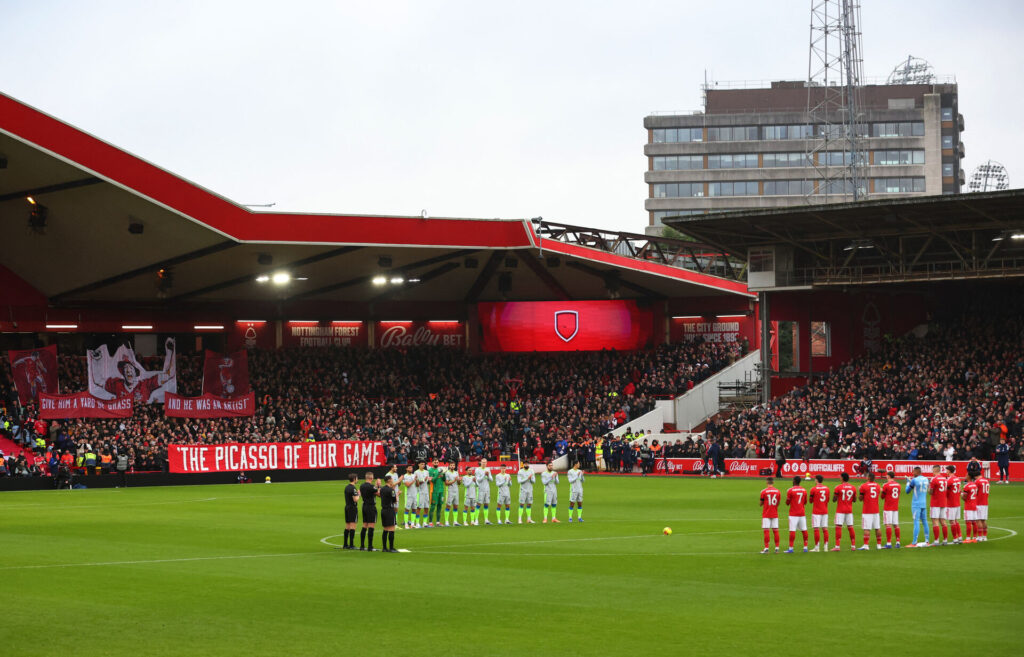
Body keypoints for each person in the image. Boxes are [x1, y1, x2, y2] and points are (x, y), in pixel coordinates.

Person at [905, 466, 931, 547]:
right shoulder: (926, 479)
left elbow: (907, 491)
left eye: (913, 471)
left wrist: (908, 482)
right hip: (924, 503)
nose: (912, 473)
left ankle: (914, 542)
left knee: (916, 522)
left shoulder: (914, 480)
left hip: (916, 504)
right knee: (925, 521)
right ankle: (927, 540)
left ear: (917, 472)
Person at [831, 472, 857, 552]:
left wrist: (836, 495)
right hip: (849, 510)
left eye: (840, 477)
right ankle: (853, 546)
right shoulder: (853, 488)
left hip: (840, 510)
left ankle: (837, 546)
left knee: (838, 527)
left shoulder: (838, 487)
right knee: (850, 527)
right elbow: (855, 500)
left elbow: (834, 500)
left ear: (842, 478)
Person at [857, 472, 883, 550]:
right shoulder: (878, 486)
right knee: (877, 527)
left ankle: (866, 545)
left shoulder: (863, 486)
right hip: (876, 509)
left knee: (867, 528)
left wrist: (860, 491)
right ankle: (879, 545)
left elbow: (860, 499)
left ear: (868, 478)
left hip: (867, 510)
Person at [784, 475, 808, 553]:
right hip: (802, 513)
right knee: (804, 530)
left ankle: (791, 548)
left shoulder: (790, 490)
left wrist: (789, 501)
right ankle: (805, 547)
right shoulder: (804, 490)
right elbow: (805, 502)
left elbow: (787, 503)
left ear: (794, 481)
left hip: (793, 513)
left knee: (792, 530)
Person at [759, 476, 781, 554]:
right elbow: (778, 503)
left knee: (766, 531)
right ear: (773, 482)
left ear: (766, 482)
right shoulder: (778, 491)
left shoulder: (763, 491)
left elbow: (760, 504)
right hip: (774, 513)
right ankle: (777, 548)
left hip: (766, 513)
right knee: (775, 531)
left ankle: (766, 548)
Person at [359, 471, 380, 551]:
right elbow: (379, 494)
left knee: (364, 525)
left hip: (364, 506)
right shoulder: (372, 487)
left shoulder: (362, 486)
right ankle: (370, 546)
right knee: (371, 526)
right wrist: (378, 486)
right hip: (371, 507)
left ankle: (362, 546)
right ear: (371, 478)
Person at [808, 475, 830, 552]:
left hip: (816, 511)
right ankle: (826, 547)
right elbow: (827, 500)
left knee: (816, 529)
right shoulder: (827, 489)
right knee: (825, 529)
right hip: (824, 510)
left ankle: (817, 547)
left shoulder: (813, 489)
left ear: (816, 480)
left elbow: (810, 501)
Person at [929, 465, 949, 546]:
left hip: (935, 502)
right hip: (943, 502)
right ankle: (945, 540)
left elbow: (931, 492)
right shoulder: (945, 479)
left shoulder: (934, 479)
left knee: (935, 521)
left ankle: (936, 541)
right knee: (943, 521)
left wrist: (928, 488)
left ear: (934, 470)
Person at [881, 471, 902, 548]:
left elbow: (882, 497)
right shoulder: (898, 485)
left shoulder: (886, 485)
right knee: (896, 525)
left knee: (888, 525)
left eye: (886, 475)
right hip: (895, 507)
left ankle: (889, 543)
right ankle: (898, 542)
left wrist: (882, 490)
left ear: (888, 476)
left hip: (888, 507)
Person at [944, 465, 963, 544]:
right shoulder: (958, 479)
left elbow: (945, 490)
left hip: (951, 503)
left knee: (952, 521)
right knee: (956, 521)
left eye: (946, 470)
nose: (946, 471)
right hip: (957, 502)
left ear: (949, 471)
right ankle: (960, 536)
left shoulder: (949, 480)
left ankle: (955, 538)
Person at [379, 475, 398, 552]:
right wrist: (398, 494)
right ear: (389, 480)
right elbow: (394, 501)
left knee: (385, 529)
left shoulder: (382, 489)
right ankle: (391, 548)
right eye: (392, 479)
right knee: (392, 529)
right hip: (390, 510)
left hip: (383, 510)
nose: (392, 480)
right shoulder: (391, 490)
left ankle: (384, 548)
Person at [342, 473, 359, 550]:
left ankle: (345, 544)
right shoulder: (353, 488)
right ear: (354, 479)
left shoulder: (346, 487)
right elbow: (355, 499)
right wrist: (359, 494)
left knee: (347, 526)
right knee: (353, 526)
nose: (357, 480)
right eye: (357, 478)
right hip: (352, 508)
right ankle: (351, 544)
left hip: (347, 507)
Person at [474, 459, 494, 525]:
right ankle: (476, 520)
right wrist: (484, 474)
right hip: (480, 489)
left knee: (486, 504)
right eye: (483, 462)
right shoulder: (477, 470)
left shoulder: (488, 469)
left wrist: (488, 475)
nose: (484, 463)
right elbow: (478, 480)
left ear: (487, 463)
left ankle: (486, 520)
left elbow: (491, 480)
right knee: (478, 504)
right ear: (481, 462)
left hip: (487, 489)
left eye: (485, 462)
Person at [961, 473, 980, 544]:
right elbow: (976, 493)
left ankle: (968, 538)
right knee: (974, 522)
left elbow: (964, 497)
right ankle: (974, 538)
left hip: (968, 506)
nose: (965, 476)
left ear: (969, 476)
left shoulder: (966, 486)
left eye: (966, 475)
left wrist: (961, 495)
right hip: (974, 505)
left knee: (968, 522)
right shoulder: (975, 485)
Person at [429, 460, 446, 527]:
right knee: (433, 506)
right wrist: (437, 474)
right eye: (435, 462)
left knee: (440, 506)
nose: (436, 463)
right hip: (434, 490)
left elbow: (444, 480)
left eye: (437, 462)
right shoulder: (430, 470)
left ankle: (438, 522)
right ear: (432, 463)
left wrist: (443, 474)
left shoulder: (440, 470)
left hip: (441, 490)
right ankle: (430, 522)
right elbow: (432, 480)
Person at [974, 470, 990, 541]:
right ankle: (985, 536)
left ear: (975, 476)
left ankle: (980, 537)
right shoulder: (986, 481)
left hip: (979, 503)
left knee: (978, 520)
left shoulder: (977, 481)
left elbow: (975, 492)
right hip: (985, 502)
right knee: (983, 520)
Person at [444, 461, 461, 526]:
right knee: (448, 506)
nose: (452, 466)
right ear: (449, 466)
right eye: (451, 465)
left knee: (456, 506)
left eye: (453, 465)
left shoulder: (456, 473)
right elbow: (446, 483)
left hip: (456, 491)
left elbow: (459, 483)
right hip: (450, 491)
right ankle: (446, 522)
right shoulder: (447, 473)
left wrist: (459, 480)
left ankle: (455, 521)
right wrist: (454, 480)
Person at [414, 461, 430, 528]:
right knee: (419, 507)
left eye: (424, 464)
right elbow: (417, 484)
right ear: (418, 464)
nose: (423, 465)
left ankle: (424, 523)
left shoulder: (427, 472)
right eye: (422, 464)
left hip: (426, 492)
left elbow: (427, 482)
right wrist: (423, 480)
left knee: (426, 507)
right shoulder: (416, 472)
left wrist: (428, 480)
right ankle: (417, 523)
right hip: (419, 492)